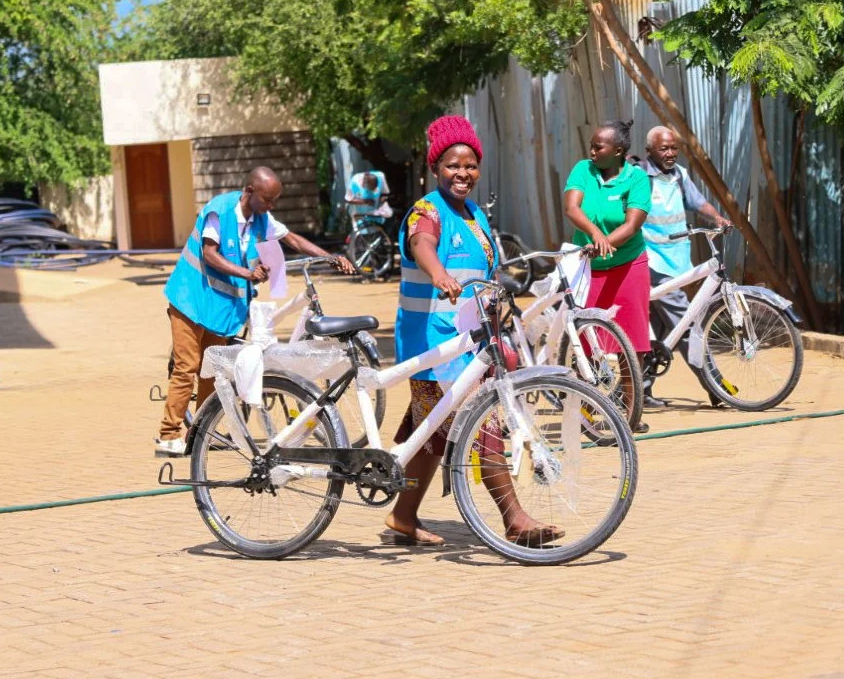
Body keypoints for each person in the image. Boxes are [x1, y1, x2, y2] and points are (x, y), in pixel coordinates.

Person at [388, 114, 563, 547]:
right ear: (435, 168)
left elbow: (483, 276)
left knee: (430, 435)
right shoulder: (428, 211)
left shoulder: (473, 216)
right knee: (484, 423)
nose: (463, 173)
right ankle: (514, 519)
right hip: (432, 343)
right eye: (453, 165)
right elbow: (422, 244)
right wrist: (439, 274)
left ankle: (403, 516)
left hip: (468, 342)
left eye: (470, 165)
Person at [154, 166, 353, 457]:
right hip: (190, 298)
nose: (271, 206)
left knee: (211, 369)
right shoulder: (220, 211)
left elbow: (292, 239)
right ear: (249, 191)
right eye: (267, 200)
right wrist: (248, 274)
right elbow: (210, 254)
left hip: (218, 307)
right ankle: (168, 435)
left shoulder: (261, 219)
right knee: (188, 366)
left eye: (274, 201)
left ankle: (200, 433)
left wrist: (331, 257)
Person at [563, 120, 652, 427]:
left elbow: (632, 224)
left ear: (618, 151)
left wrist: (605, 242)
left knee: (632, 343)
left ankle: (631, 413)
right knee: (584, 339)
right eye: (591, 145)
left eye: (598, 147)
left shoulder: (637, 178)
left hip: (628, 266)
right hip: (588, 268)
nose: (591, 152)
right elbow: (572, 208)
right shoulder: (583, 170)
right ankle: (584, 413)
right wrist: (594, 235)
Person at [638, 126, 732, 408]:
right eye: (663, 149)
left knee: (659, 331)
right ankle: (716, 386)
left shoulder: (679, 174)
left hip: (677, 261)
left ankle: (638, 391)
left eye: (674, 148)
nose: (670, 153)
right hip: (654, 263)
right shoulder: (640, 178)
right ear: (650, 151)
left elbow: (697, 202)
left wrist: (717, 218)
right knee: (686, 325)